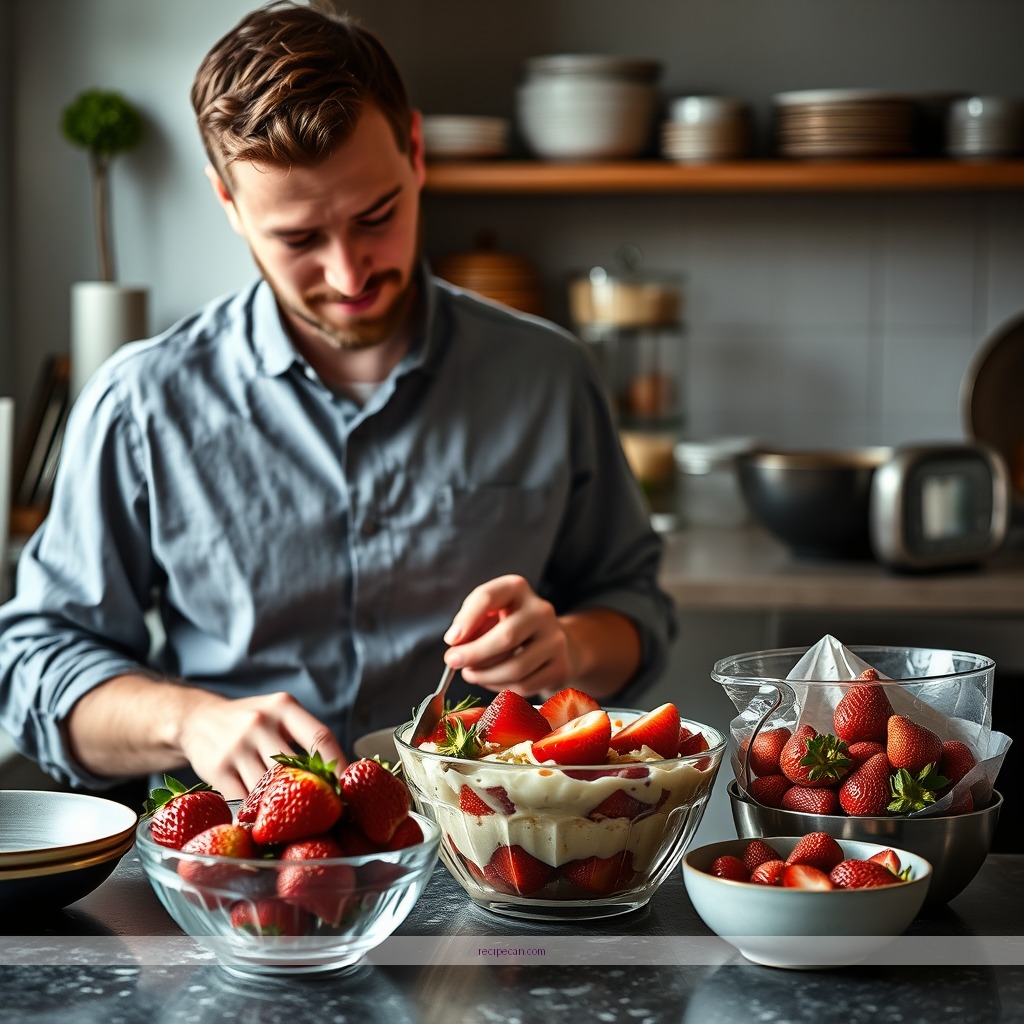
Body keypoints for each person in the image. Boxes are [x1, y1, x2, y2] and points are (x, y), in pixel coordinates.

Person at [0, 0, 676, 801]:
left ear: (417, 152)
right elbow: (36, 667)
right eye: (297, 240)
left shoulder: (548, 374)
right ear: (228, 205)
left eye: (377, 216)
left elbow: (635, 608)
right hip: (236, 866)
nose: (350, 275)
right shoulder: (140, 402)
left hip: (490, 857)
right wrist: (188, 721)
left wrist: (566, 644)